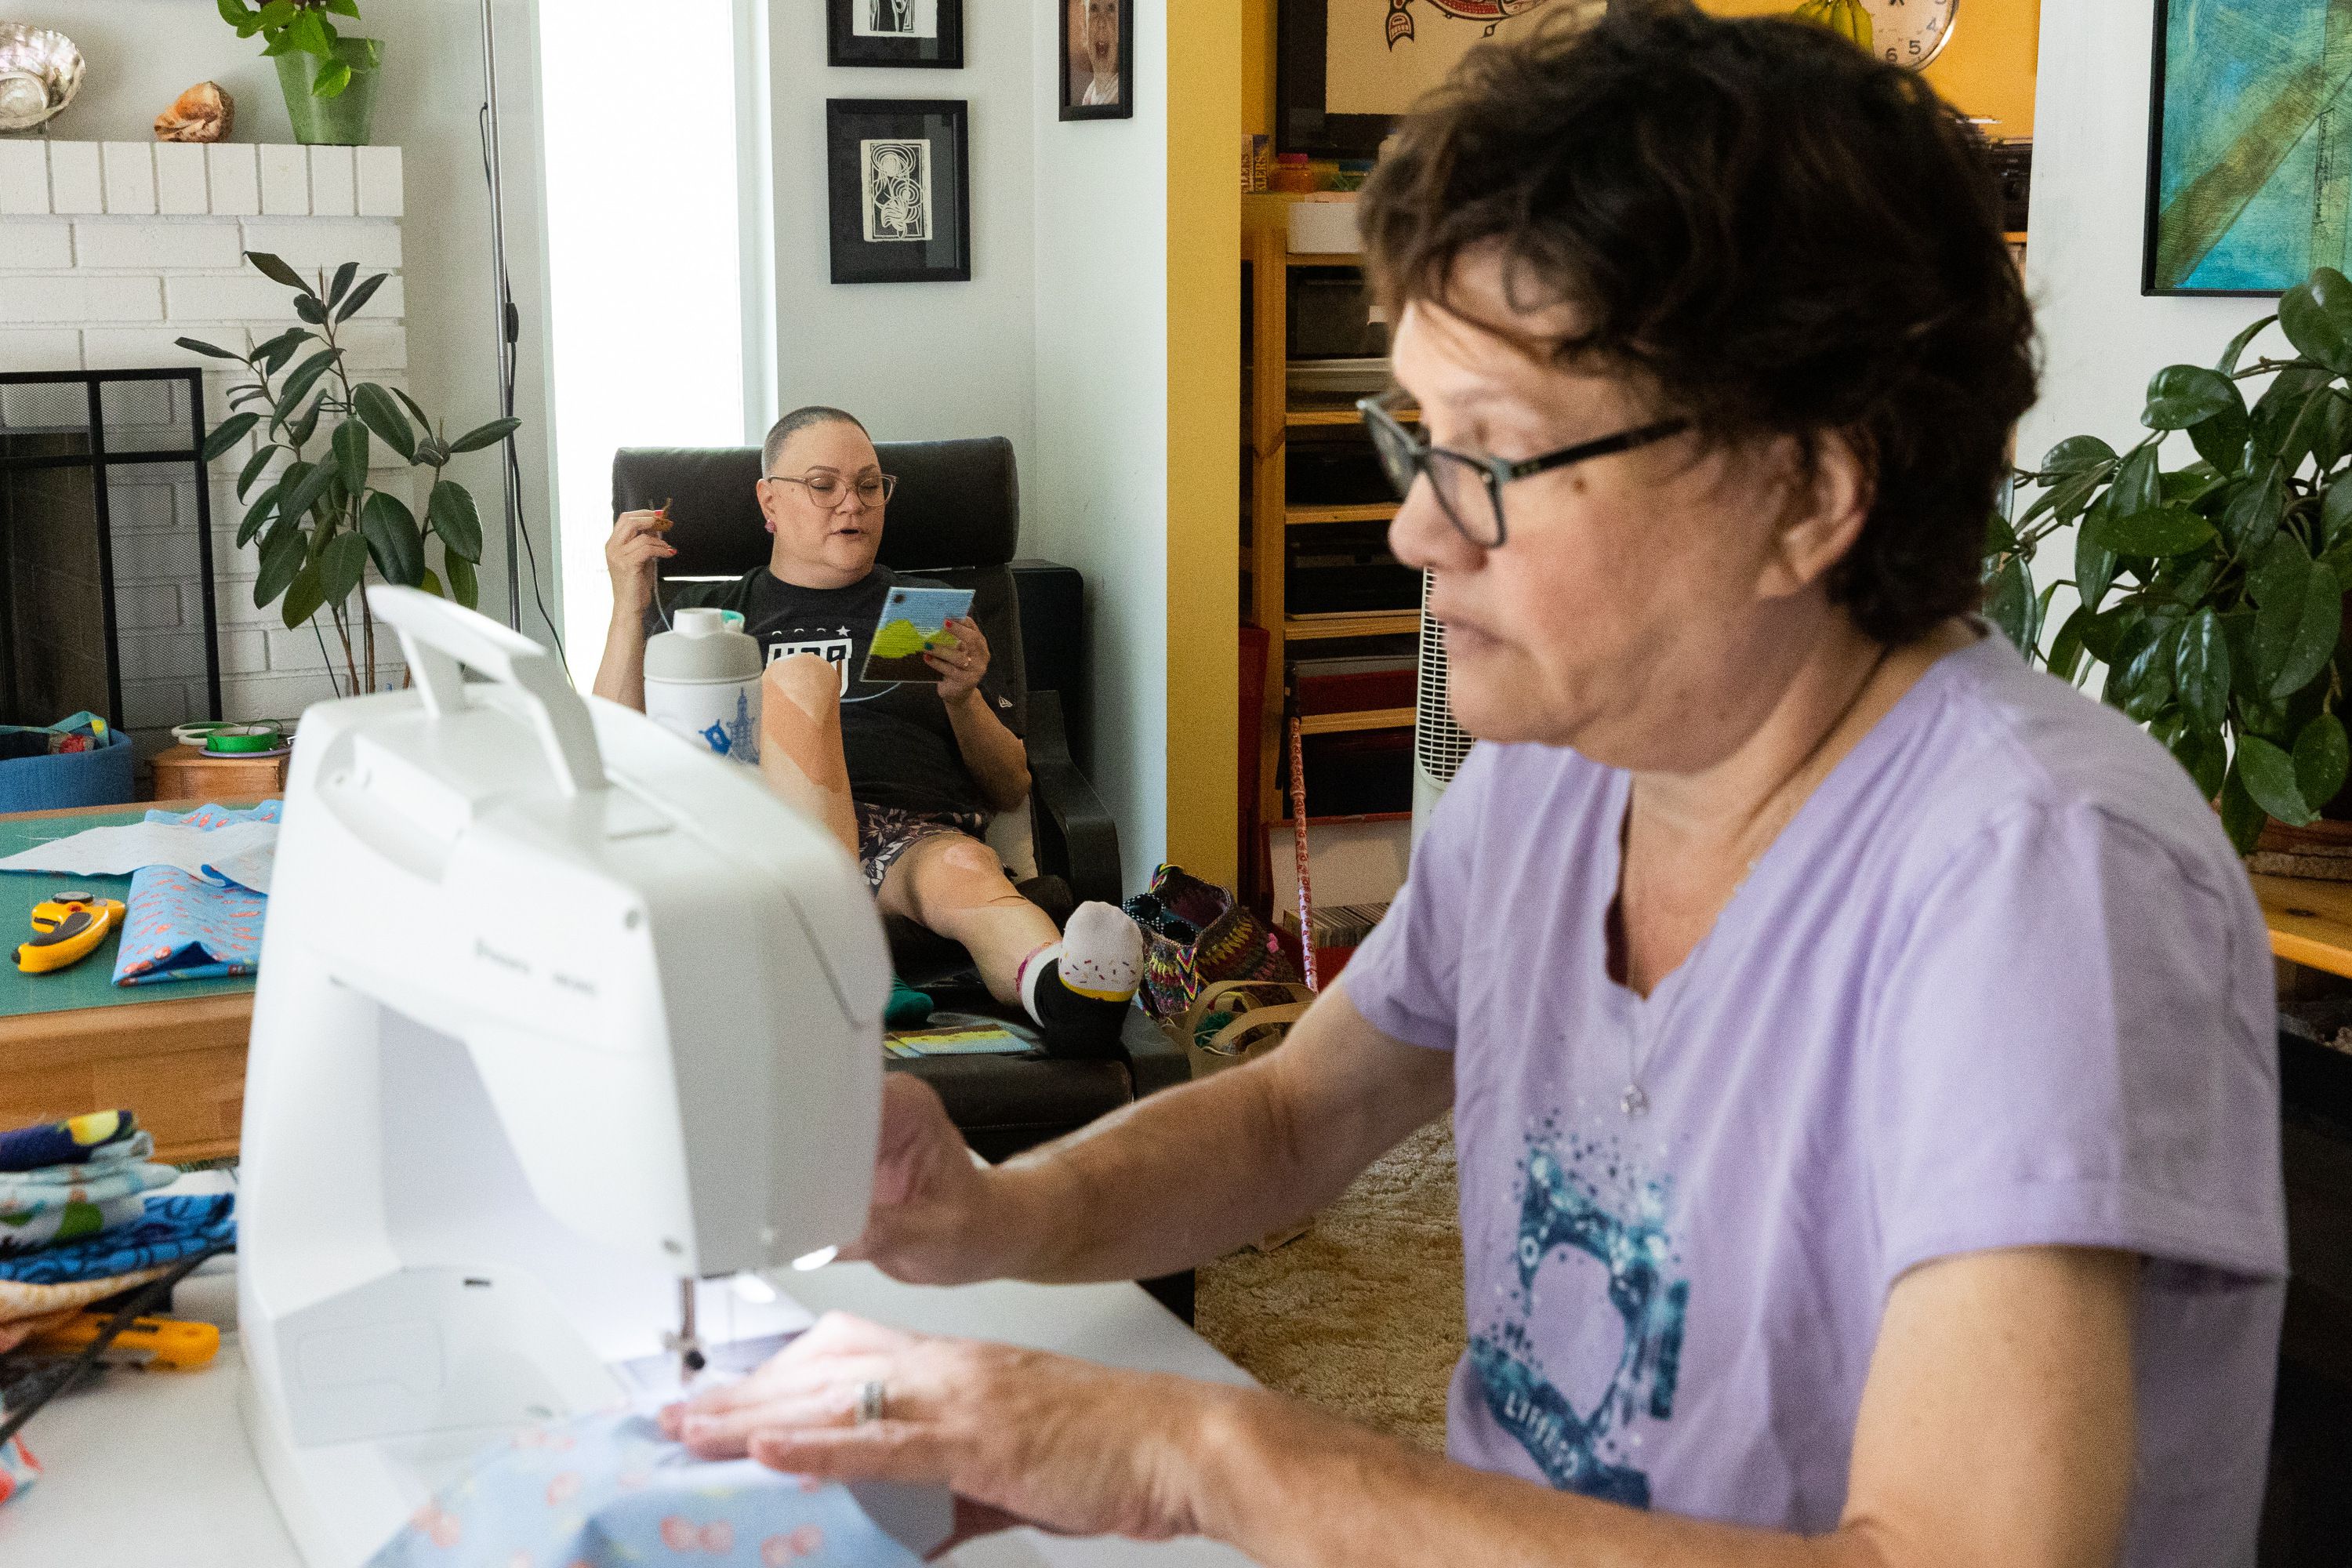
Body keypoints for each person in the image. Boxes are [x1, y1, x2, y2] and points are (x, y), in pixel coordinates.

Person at [665, 7, 2285, 1566]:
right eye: (1414, 435)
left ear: (1805, 491)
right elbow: (1303, 1111)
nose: (1415, 529)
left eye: (1491, 455)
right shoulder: (1551, 776)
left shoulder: (2040, 879)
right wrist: (994, 1218)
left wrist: (1196, 1451)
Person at [592, 406, 1142, 1056]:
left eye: (870, 485)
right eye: (823, 486)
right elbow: (610, 753)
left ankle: (1064, 996)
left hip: (912, 835)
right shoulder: (710, 618)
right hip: (769, 841)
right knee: (799, 681)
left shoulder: (927, 610)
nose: (851, 505)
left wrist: (964, 699)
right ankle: (841, 954)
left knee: (969, 868)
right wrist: (630, 604)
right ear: (769, 499)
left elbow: (1010, 786)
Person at [1077, 0, 1120, 107]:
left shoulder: (1125, 94)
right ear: (1084, 27)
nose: (1101, 23)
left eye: (1110, 8)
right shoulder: (1089, 96)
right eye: (1094, 9)